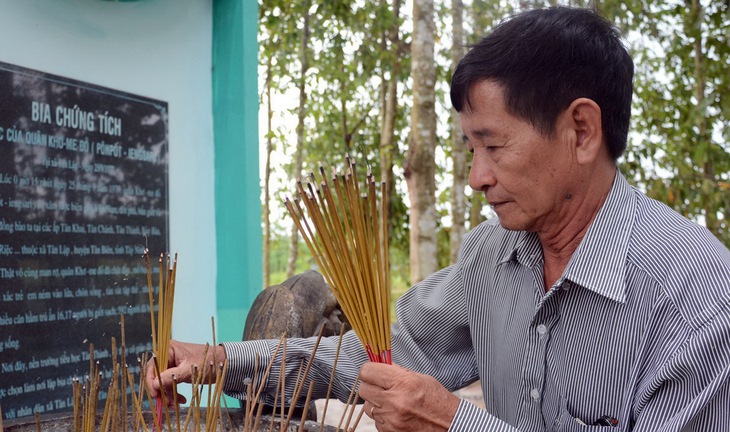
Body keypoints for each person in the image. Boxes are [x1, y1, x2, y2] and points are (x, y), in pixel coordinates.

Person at [147, 6, 730, 431]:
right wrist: (217, 362)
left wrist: (457, 424)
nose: (476, 177)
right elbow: (368, 357)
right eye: (468, 150)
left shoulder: (698, 289)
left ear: (580, 130)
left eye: (493, 147)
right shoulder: (492, 255)